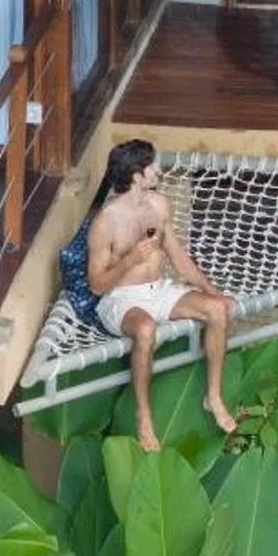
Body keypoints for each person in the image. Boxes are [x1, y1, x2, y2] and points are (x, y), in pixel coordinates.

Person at [80, 140, 236, 453]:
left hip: (158, 291)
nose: (159, 170)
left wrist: (214, 293)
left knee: (218, 310)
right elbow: (96, 286)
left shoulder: (158, 205)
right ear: (136, 176)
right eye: (151, 166)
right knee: (146, 329)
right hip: (121, 299)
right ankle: (144, 414)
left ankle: (214, 397)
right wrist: (129, 261)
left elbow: (178, 259)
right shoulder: (105, 222)